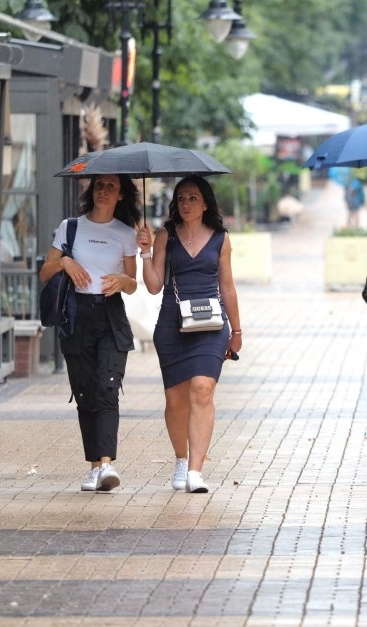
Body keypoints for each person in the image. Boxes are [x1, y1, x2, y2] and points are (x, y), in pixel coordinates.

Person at [136, 175, 242, 494]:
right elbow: (154, 286)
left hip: (211, 323)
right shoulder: (166, 235)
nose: (185, 203)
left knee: (202, 389)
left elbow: (228, 286)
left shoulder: (221, 239)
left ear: (205, 203)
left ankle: (196, 470)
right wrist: (144, 252)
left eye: (192, 198)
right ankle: (181, 460)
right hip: (172, 322)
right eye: (181, 198)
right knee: (175, 399)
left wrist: (236, 330)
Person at [38, 173, 141, 492]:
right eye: (100, 185)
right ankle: (95, 465)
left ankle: (107, 464)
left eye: (111, 186)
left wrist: (123, 281)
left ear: (121, 195)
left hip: (110, 315)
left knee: (107, 387)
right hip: (75, 315)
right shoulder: (70, 227)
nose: (104, 190)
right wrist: (66, 262)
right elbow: (45, 271)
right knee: (84, 391)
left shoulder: (126, 233)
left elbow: (133, 283)